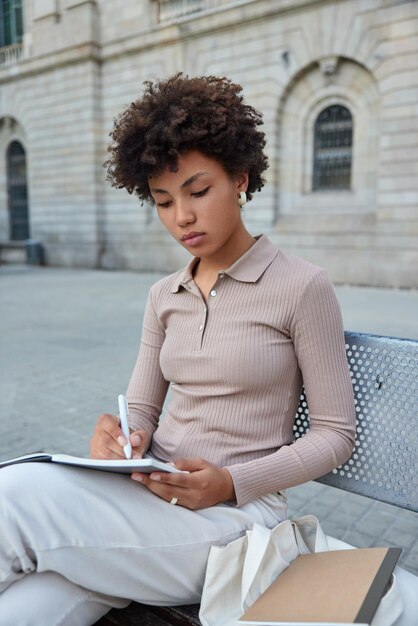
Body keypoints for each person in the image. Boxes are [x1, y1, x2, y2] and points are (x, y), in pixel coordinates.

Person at [0, 74, 356, 625]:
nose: (181, 217)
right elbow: (141, 409)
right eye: (163, 201)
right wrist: (118, 435)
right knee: (25, 608)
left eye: (197, 191)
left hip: (235, 519)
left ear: (240, 179)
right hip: (149, 501)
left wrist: (233, 482)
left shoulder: (302, 287)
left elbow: (337, 434)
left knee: (16, 494)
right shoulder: (164, 295)